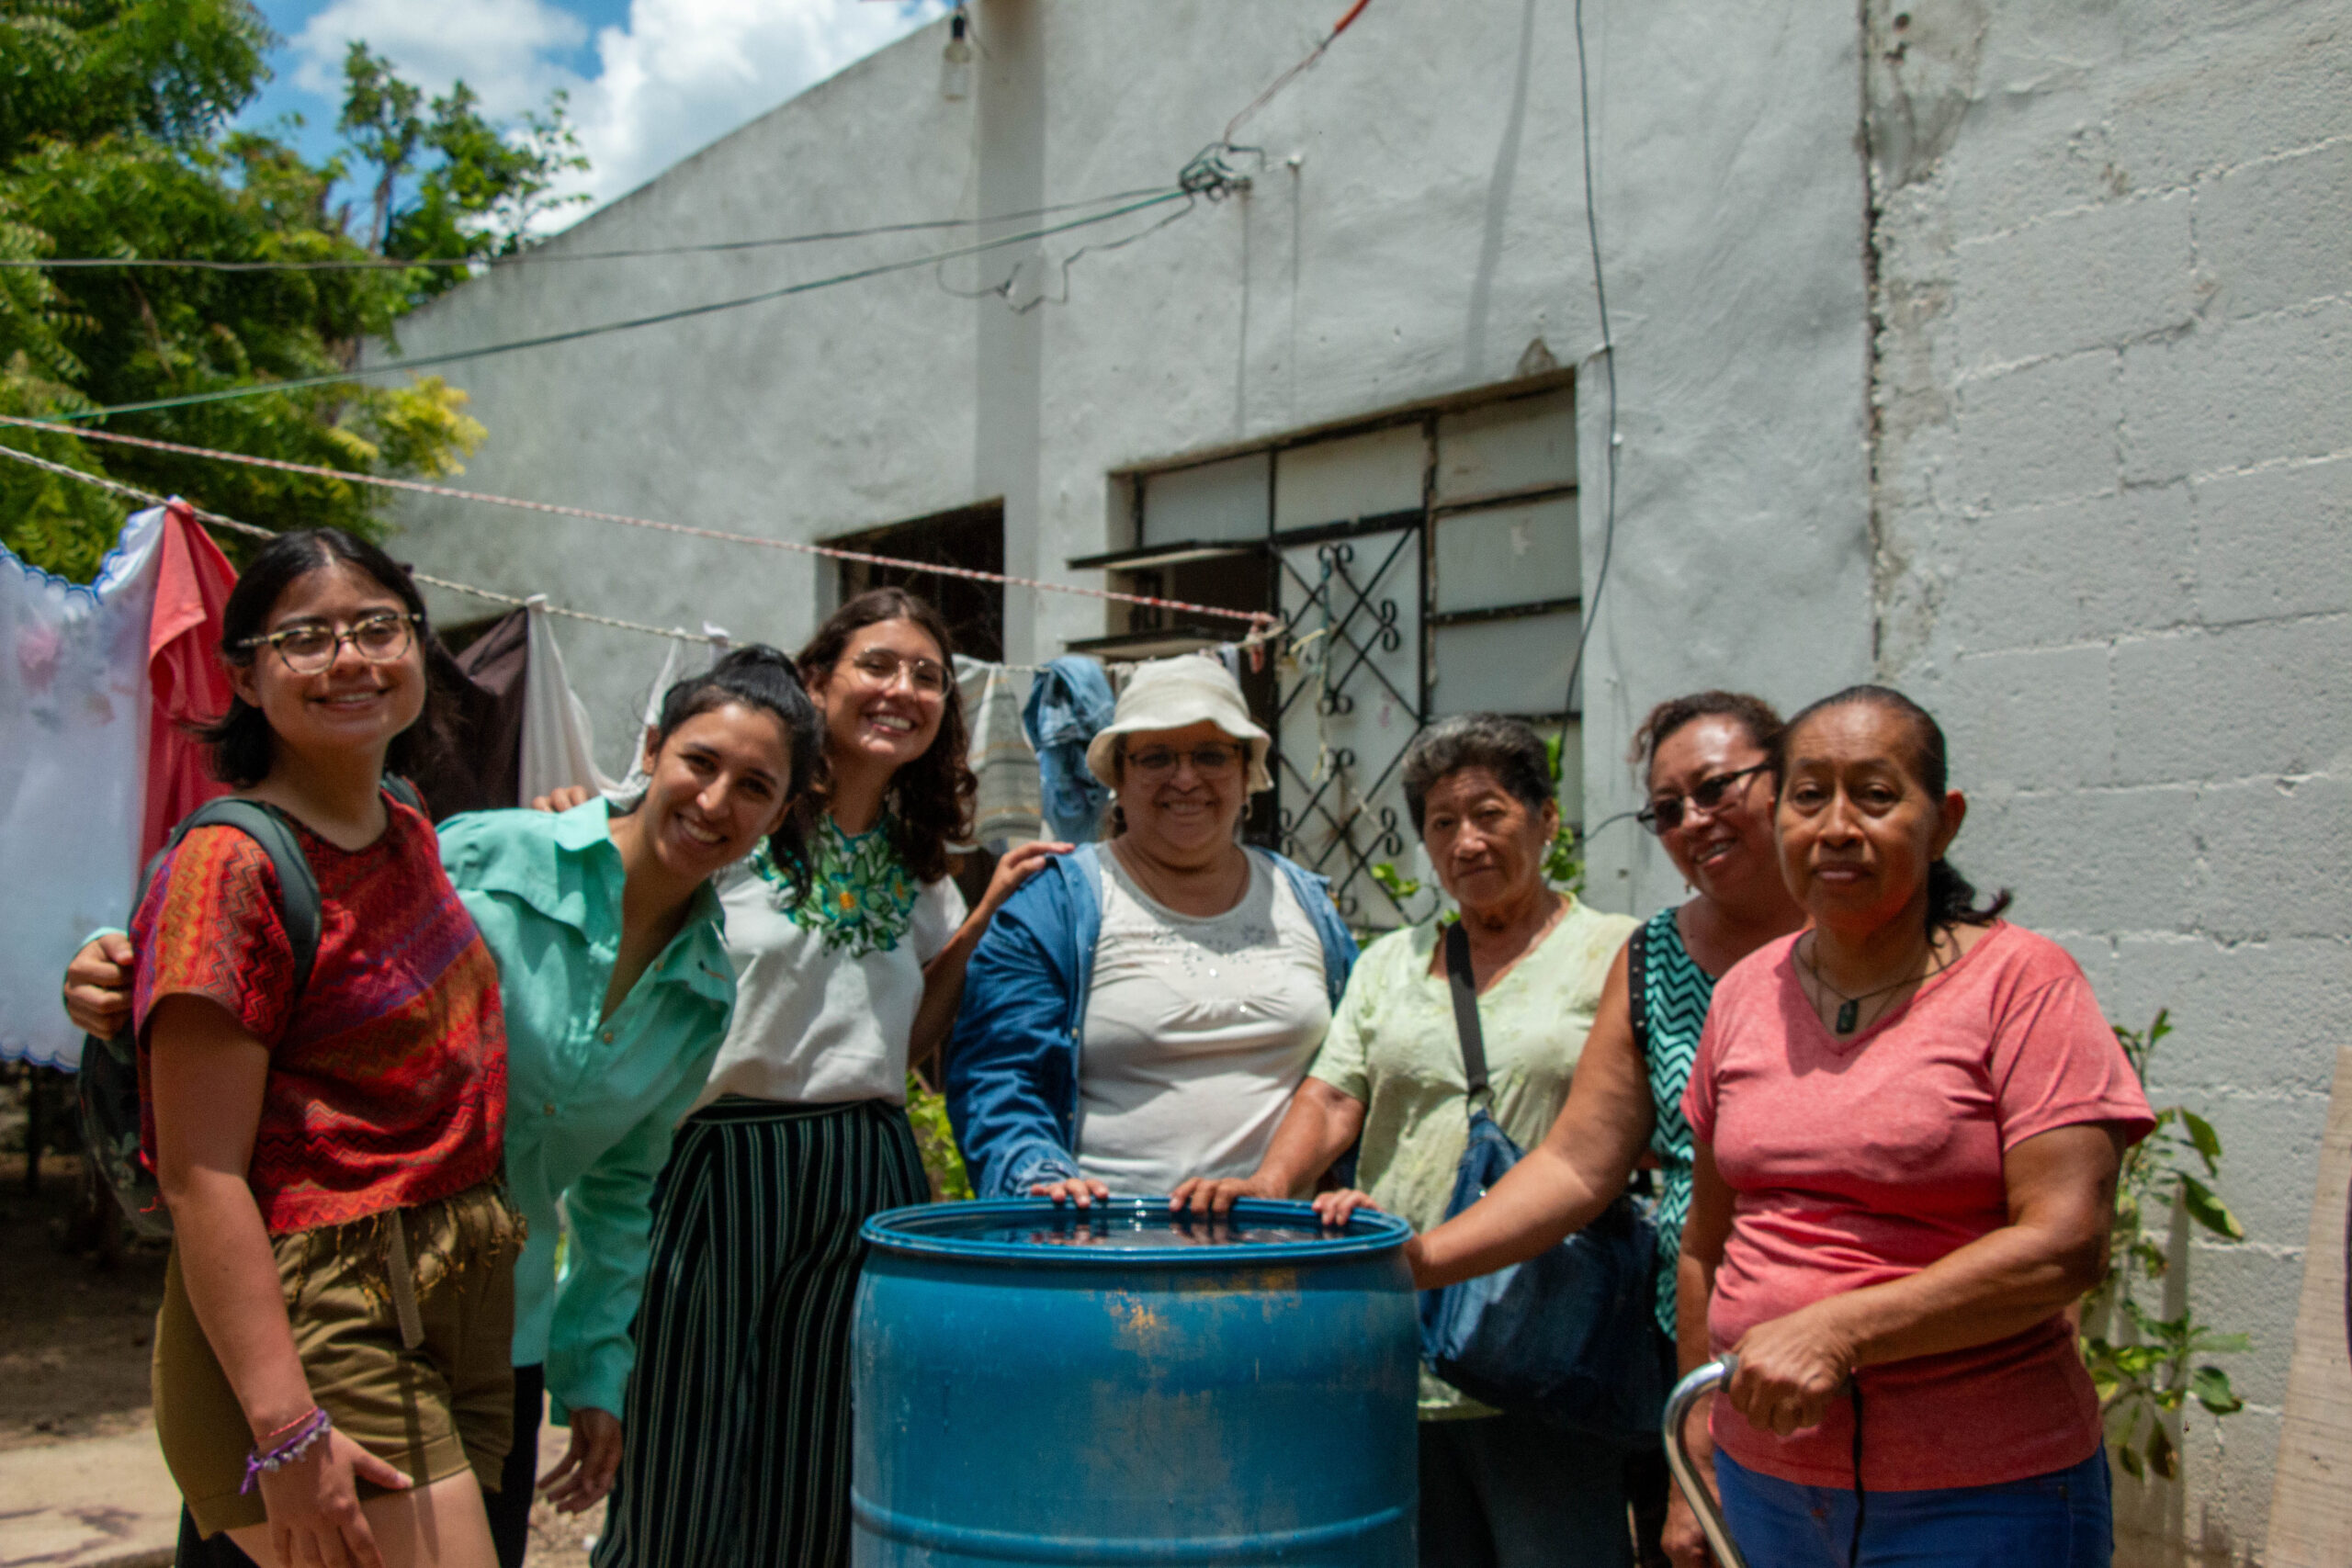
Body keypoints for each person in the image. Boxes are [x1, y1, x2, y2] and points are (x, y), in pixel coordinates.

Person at [69, 647, 830, 1568]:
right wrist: (119, 969)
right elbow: (279, 939)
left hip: (493, 1335)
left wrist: (596, 1379)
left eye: (754, 787)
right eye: (699, 763)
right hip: (324, 1287)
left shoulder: (704, 992)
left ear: (781, 814)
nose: (715, 802)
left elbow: (619, 1198)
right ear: (653, 748)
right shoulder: (484, 851)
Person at [588, 588, 1064, 1568]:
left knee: (824, 1460)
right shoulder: (735, 823)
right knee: (683, 1451)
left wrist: (979, 921)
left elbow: (905, 1041)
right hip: (716, 1166)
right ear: (817, 681)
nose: (902, 691)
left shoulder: (919, 862)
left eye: (926, 677)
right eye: (877, 666)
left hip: (867, 1169)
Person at [1674, 686, 2153, 1568]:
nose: (1838, 826)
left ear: (1945, 822)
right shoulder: (1746, 993)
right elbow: (1707, 1240)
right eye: (1809, 795)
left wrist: (1838, 1329)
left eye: (1877, 795)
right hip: (1768, 1485)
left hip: (1983, 1499)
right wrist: (1695, 1438)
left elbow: (2064, 1244)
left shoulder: (2024, 986)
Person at [1172, 714, 1637, 1568]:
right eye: (1442, 822)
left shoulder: (1614, 953)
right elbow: (1334, 1091)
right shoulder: (1394, 961)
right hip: (1397, 1339)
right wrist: (1269, 1183)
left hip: (1541, 1340)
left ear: (1546, 819)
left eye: (1490, 813)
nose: (1466, 841)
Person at [132, 528, 513, 1568]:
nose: (350, 659)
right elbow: (199, 1173)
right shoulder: (228, 867)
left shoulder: (403, 819)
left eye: (376, 627)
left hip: (448, 1284)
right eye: (305, 639)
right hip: (326, 1304)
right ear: (247, 677)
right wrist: (286, 1430)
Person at [1398, 693, 1802, 1566]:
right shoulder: (1655, 959)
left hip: (1887, 1369)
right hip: (1694, 1363)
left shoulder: (1929, 954)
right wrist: (1420, 1262)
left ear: (1789, 782)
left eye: (1717, 788)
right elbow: (1580, 1164)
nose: (1693, 820)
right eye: (1666, 809)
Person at [945, 655, 1358, 1204]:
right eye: (1156, 757)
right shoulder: (1055, 905)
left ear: (1245, 773)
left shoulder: (1307, 902)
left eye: (1211, 755)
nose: (1185, 779)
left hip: (1284, 1256)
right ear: (1118, 774)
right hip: (1106, 1256)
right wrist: (1036, 1175)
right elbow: (996, 1075)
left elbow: (1356, 1070)